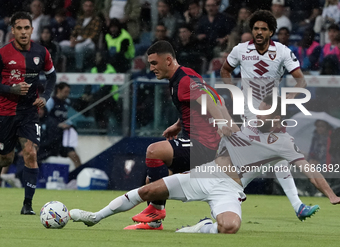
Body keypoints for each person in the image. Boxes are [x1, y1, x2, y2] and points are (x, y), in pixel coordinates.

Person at [69, 95, 340, 233]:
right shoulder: (247, 126)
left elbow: (307, 169)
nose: (260, 114)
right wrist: (179, 125)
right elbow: (210, 115)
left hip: (229, 190)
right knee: (149, 192)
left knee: (230, 227)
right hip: (205, 174)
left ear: (278, 114)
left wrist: (330, 194)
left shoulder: (284, 142)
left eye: (266, 111)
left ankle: (202, 227)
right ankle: (95, 218)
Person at [220, 10, 318, 220]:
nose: (259, 32)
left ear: (271, 32)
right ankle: (229, 197)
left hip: (270, 115)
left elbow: (301, 81)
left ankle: (230, 195)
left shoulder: (282, 52)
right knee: (271, 158)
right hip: (251, 117)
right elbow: (224, 71)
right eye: (256, 28)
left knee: (273, 158)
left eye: (264, 29)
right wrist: (233, 92)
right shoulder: (240, 50)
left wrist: (282, 101)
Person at [123, 40, 224, 230]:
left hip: (203, 146)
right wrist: (178, 125)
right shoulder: (183, 76)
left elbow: (210, 100)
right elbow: (204, 98)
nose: (151, 68)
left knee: (153, 151)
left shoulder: (184, 80)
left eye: (154, 63)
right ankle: (154, 223)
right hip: (195, 142)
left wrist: (221, 122)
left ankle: (156, 211)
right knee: (151, 181)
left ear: (168, 60)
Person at [0, 11, 56, 214]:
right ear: (13, 30)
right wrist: (10, 89)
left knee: (30, 154)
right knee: (5, 159)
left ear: (32, 29)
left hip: (29, 113)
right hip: (4, 112)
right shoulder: (3, 53)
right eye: (19, 28)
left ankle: (27, 206)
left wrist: (46, 97)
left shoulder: (41, 52)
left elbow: (51, 77)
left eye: (27, 28)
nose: (23, 32)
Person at [38, 82, 81, 168]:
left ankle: (78, 176)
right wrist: (57, 125)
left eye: (68, 92)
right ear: (59, 90)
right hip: (51, 136)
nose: (67, 94)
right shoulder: (51, 101)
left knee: (74, 156)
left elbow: (66, 117)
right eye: (65, 92)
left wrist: (70, 125)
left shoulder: (66, 103)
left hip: (63, 137)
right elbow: (44, 116)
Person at [60, 0, 102, 72]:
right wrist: (72, 40)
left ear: (93, 8)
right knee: (61, 45)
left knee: (79, 48)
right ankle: (60, 68)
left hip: (89, 44)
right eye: (86, 6)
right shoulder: (80, 19)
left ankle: (79, 68)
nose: (88, 8)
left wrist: (77, 42)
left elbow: (93, 36)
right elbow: (74, 32)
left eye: (90, 6)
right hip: (77, 42)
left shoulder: (96, 19)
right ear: (83, 7)